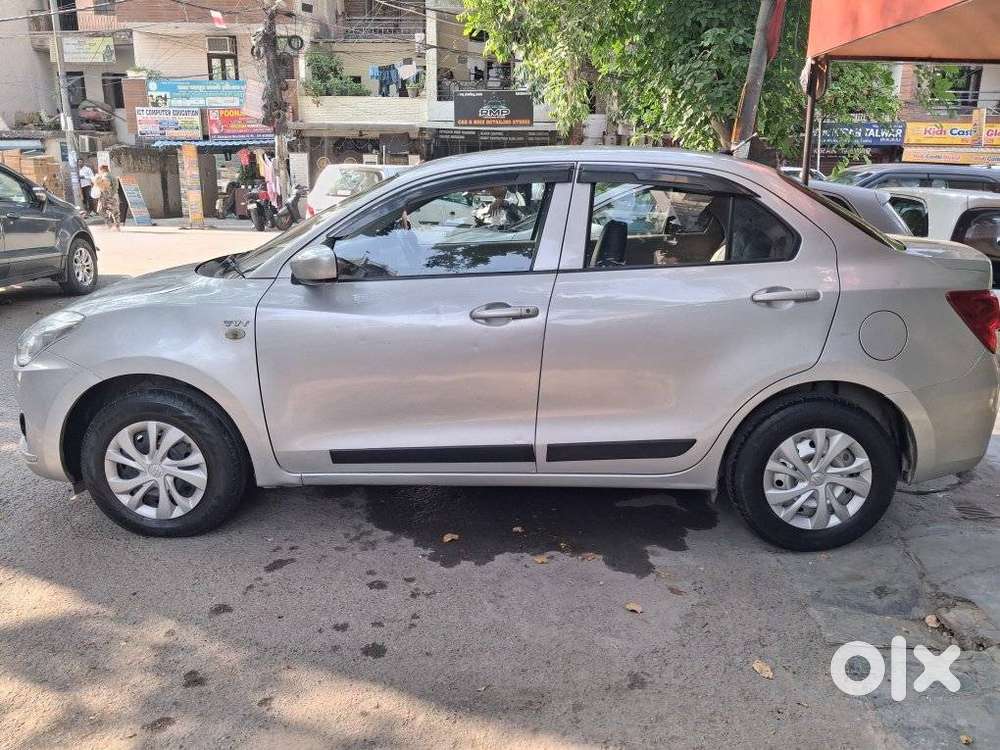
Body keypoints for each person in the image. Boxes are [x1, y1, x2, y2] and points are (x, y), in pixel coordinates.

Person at [94, 165, 121, 231]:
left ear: (102, 169)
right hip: (114, 196)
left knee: (100, 210)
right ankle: (117, 226)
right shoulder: (112, 175)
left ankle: (109, 224)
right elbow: (116, 187)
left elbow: (105, 185)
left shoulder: (105, 176)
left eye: (100, 170)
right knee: (114, 212)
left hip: (106, 196)